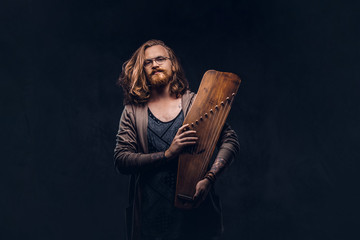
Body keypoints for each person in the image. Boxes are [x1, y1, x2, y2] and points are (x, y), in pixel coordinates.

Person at [114, 39, 239, 240]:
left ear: (173, 64)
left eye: (160, 59)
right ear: (142, 69)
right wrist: (167, 154)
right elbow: (121, 160)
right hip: (150, 222)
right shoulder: (132, 112)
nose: (154, 65)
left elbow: (230, 140)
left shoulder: (198, 103)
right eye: (148, 62)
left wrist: (209, 178)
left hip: (195, 218)